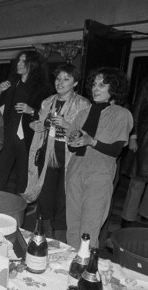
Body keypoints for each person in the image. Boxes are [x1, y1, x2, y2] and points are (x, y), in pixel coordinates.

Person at [22, 64, 90, 242]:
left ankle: (60, 239)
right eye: (58, 78)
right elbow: (40, 124)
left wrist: (67, 125)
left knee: (64, 197)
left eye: (66, 79)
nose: (60, 82)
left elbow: (88, 136)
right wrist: (35, 125)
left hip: (69, 157)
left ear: (75, 83)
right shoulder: (48, 101)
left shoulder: (83, 104)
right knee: (45, 196)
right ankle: (42, 234)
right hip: (48, 155)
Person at [66, 67, 133, 249]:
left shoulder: (121, 114)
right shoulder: (83, 113)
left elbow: (116, 149)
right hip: (75, 171)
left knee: (89, 227)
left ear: (114, 88)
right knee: (72, 224)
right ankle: (69, 264)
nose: (96, 88)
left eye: (102, 84)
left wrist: (91, 141)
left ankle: (86, 266)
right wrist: (73, 140)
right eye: (94, 84)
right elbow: (71, 145)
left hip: (99, 175)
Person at [0, 50, 52, 194]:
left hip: (28, 137)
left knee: (23, 176)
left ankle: (19, 209)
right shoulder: (12, 83)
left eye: (23, 61)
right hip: (8, 134)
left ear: (33, 64)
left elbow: (48, 115)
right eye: (18, 60)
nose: (18, 64)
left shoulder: (43, 88)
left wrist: (31, 111)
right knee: (0, 173)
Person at [120, 77, 148, 228]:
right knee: (138, 180)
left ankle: (145, 216)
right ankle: (127, 218)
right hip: (145, 137)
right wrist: (133, 135)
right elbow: (136, 110)